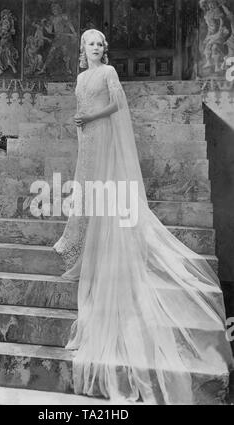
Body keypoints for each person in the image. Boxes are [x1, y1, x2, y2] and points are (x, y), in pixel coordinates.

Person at [52, 29, 233, 405]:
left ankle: (108, 241)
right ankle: (85, 241)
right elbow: (83, 106)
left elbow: (117, 107)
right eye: (91, 44)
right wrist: (80, 123)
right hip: (88, 141)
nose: (97, 48)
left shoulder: (109, 74)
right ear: (83, 50)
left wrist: (88, 117)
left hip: (104, 136)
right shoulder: (83, 77)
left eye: (101, 43)